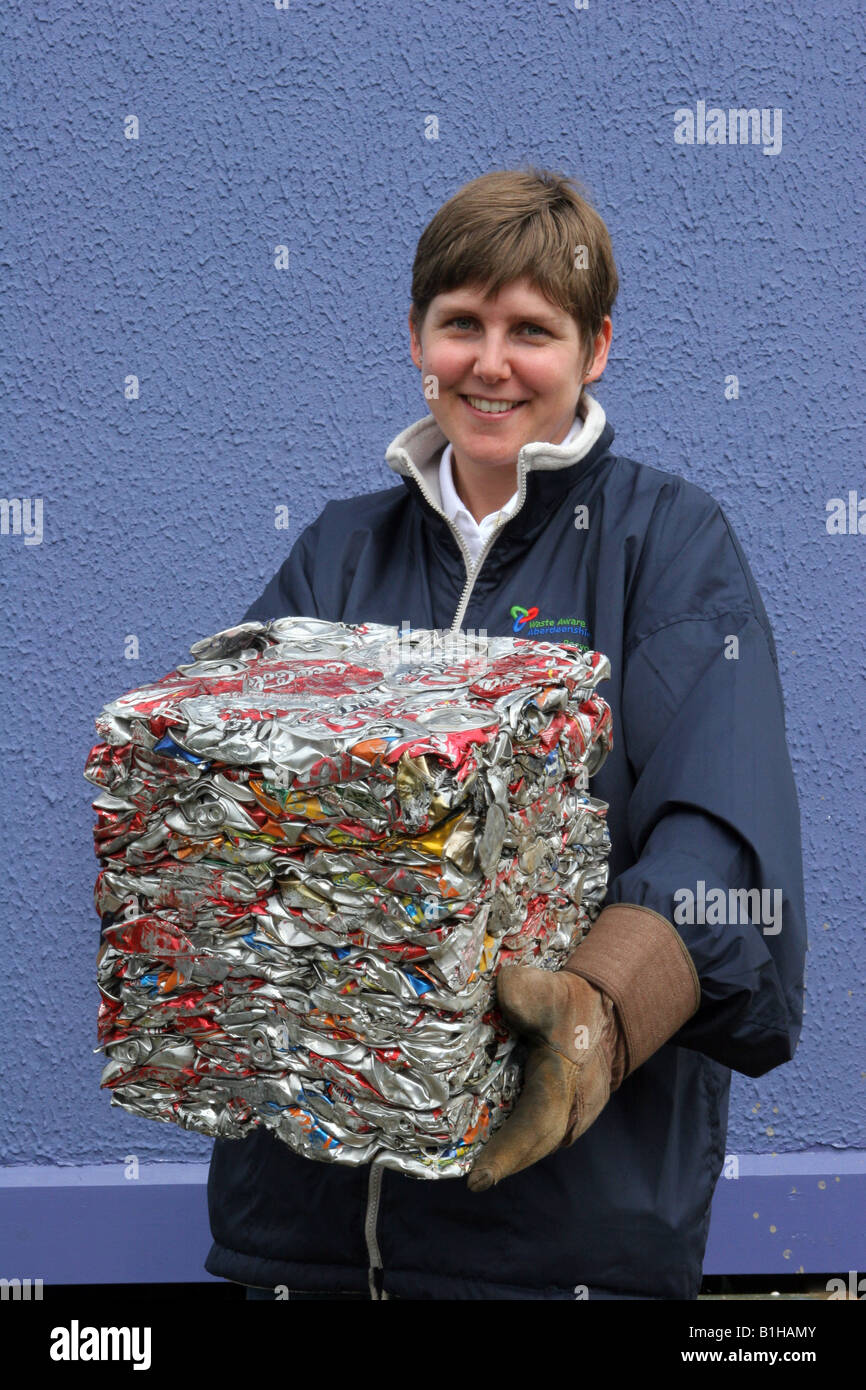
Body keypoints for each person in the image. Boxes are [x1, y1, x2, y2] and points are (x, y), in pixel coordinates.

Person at [204, 167, 807, 1301]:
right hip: (304, 1237)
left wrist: (592, 1014)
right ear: (417, 341)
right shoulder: (338, 555)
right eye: (460, 324)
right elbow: (232, 804)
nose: (489, 363)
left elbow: (723, 854)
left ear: (594, 347)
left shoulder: (666, 548)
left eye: (530, 329)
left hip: (553, 1248)